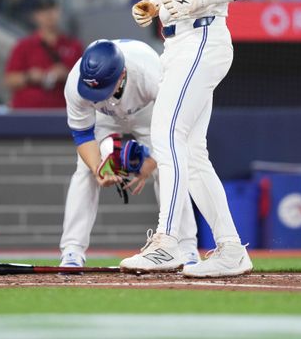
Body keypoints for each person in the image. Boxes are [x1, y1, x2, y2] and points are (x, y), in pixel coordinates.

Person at [121, 0, 262, 278]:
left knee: (165, 134)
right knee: (192, 153)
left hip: (205, 37)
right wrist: (159, 5)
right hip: (177, 43)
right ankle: (230, 249)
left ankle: (168, 242)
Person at [59, 39, 199, 268]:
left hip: (150, 114)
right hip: (104, 119)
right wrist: (98, 168)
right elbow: (83, 135)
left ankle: (186, 248)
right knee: (84, 170)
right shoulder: (76, 83)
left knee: (169, 169)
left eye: (102, 89)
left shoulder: (150, 74)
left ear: (122, 75)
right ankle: (72, 251)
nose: (96, 94)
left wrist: (151, 162)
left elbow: (177, 129)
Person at [4, 0, 83, 109]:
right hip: (28, 112)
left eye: (52, 10)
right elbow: (9, 80)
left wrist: (67, 75)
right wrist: (29, 77)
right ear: (35, 16)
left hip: (62, 110)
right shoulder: (24, 46)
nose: (48, 15)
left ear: (58, 12)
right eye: (43, 11)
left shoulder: (73, 45)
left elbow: (86, 80)